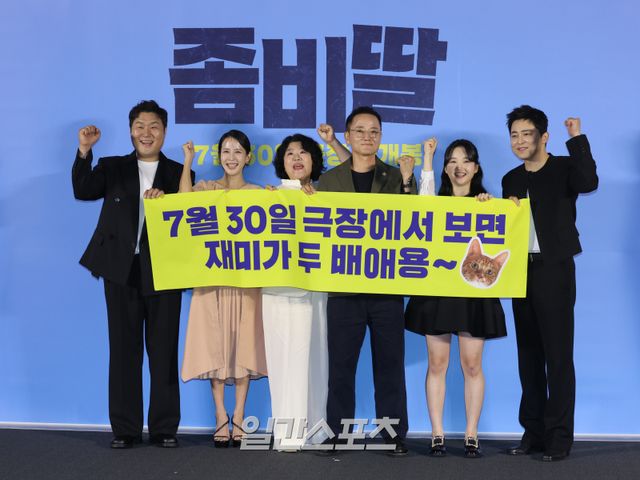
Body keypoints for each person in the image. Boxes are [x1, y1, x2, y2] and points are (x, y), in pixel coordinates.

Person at [72, 100, 193, 449]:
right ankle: (125, 429)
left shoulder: (178, 172)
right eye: (140, 126)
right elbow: (83, 190)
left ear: (164, 131)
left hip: (165, 271)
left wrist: (166, 202)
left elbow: (189, 214)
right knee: (124, 350)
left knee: (163, 350)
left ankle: (164, 427)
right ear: (130, 131)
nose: (146, 133)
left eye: (154, 126)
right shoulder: (112, 167)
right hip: (120, 270)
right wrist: (84, 151)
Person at [316, 106, 416, 455]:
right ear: (347, 137)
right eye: (360, 131)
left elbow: (415, 220)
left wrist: (408, 181)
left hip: (386, 288)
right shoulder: (329, 181)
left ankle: (394, 434)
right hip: (343, 290)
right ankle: (337, 433)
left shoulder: (397, 176)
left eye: (374, 131)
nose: (367, 137)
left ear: (381, 137)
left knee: (390, 366)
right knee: (341, 367)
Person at [502, 105, 598, 462]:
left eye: (527, 134)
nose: (520, 141)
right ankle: (533, 432)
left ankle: (559, 437)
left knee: (557, 357)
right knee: (528, 356)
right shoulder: (511, 179)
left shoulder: (564, 168)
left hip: (554, 270)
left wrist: (577, 138)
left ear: (544, 137)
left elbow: (589, 183)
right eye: (514, 135)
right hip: (519, 272)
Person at [404, 138, 507, 458]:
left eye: (465, 161)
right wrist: (427, 157)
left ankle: (471, 434)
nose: (459, 167)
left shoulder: (489, 206)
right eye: (452, 161)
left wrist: (493, 206)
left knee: (472, 365)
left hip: (474, 295)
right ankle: (437, 434)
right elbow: (420, 205)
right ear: (445, 169)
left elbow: (508, 239)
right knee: (437, 363)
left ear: (476, 168)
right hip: (438, 292)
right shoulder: (434, 204)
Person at [180, 131, 267, 448]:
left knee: (244, 345)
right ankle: (220, 415)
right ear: (219, 156)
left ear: (248, 157)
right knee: (214, 345)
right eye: (226, 151)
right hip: (211, 279)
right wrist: (188, 162)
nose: (232, 157)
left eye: (238, 151)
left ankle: (240, 414)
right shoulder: (206, 188)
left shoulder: (259, 194)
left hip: (246, 282)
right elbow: (183, 204)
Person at [261, 133, 329, 451]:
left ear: (314, 160)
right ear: (282, 162)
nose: (297, 158)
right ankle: (287, 433)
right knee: (281, 357)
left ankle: (315, 430)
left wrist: (316, 203)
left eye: (304, 152)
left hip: (314, 287)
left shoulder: (326, 198)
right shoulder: (268, 197)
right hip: (276, 288)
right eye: (290, 153)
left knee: (314, 357)